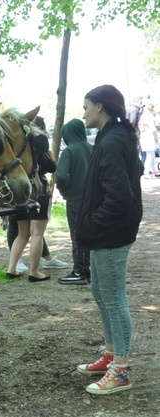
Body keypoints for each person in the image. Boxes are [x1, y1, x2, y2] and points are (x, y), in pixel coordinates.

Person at [76, 84, 143, 395]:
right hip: (102, 232)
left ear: (100, 107)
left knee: (115, 300)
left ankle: (122, 369)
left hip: (111, 233)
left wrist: (92, 223)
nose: (84, 112)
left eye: (87, 106)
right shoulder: (111, 135)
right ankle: (111, 353)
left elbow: (119, 197)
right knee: (100, 292)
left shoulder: (113, 140)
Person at [5, 117, 61, 282]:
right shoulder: (40, 147)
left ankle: (12, 269)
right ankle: (34, 272)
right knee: (37, 233)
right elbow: (52, 168)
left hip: (22, 190)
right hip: (39, 189)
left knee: (22, 233)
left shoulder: (17, 147)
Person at [55, 118, 92, 285]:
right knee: (90, 233)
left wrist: (64, 190)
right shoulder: (91, 148)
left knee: (77, 235)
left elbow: (61, 175)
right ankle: (87, 269)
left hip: (75, 199)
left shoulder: (69, 151)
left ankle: (78, 272)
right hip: (93, 199)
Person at [138, 105, 158, 178]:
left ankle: (153, 171)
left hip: (144, 138)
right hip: (150, 138)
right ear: (151, 110)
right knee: (150, 156)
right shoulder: (150, 117)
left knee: (150, 155)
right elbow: (153, 130)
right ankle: (146, 171)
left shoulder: (143, 117)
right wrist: (157, 139)